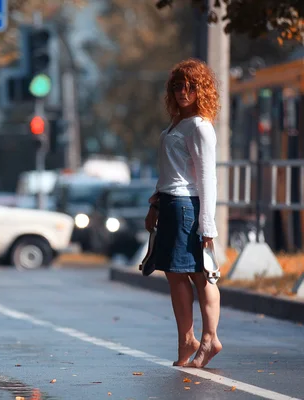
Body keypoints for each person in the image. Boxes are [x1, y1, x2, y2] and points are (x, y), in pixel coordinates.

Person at [144, 59, 221, 368]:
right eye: (176, 86)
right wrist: (155, 204)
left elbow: (207, 178)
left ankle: (209, 339)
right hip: (171, 204)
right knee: (175, 275)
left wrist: (208, 225)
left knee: (201, 275)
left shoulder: (201, 126)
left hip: (188, 206)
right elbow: (170, 172)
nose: (182, 91)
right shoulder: (178, 123)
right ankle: (185, 339)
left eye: (189, 86)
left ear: (200, 89)